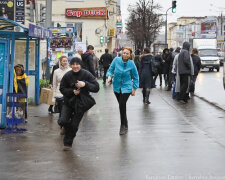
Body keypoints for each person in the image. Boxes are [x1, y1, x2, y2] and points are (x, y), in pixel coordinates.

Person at [59, 57, 99, 151]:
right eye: (73, 64)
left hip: (81, 104)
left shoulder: (86, 74)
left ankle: (68, 143)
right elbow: (62, 88)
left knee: (74, 125)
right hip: (68, 102)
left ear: (80, 65)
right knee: (62, 121)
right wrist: (72, 91)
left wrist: (85, 84)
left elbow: (96, 87)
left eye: (77, 64)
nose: (75, 66)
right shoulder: (67, 75)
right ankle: (65, 127)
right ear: (71, 65)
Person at [106, 47, 139, 135]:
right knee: (122, 105)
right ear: (121, 53)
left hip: (127, 87)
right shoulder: (116, 60)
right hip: (116, 87)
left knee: (122, 105)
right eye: (124, 53)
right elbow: (110, 70)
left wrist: (134, 88)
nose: (125, 55)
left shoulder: (131, 63)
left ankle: (123, 126)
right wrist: (109, 77)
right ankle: (126, 122)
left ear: (130, 55)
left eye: (127, 53)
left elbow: (136, 77)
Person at [53, 56, 71, 135]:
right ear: (60, 62)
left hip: (69, 94)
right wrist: (54, 95)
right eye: (63, 61)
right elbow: (55, 84)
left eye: (66, 61)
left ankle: (65, 127)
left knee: (68, 111)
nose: (65, 62)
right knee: (61, 111)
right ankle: (62, 126)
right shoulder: (56, 71)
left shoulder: (70, 70)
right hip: (59, 94)